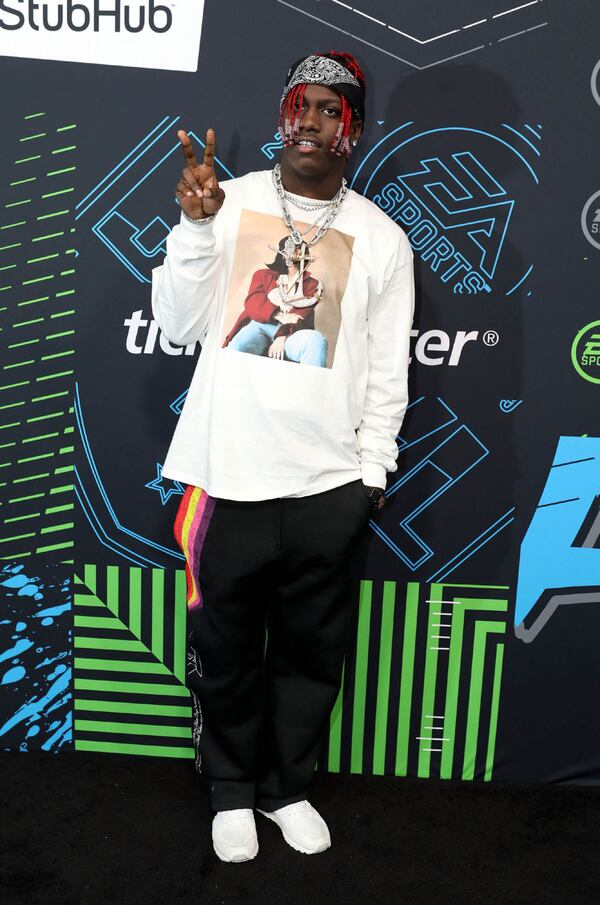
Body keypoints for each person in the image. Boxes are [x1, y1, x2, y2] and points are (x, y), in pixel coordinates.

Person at [151, 50, 415, 863]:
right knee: (225, 649)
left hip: (328, 488)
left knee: (310, 655)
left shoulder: (381, 237)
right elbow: (177, 323)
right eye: (299, 105)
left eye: (330, 110)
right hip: (226, 478)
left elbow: (387, 367)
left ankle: (285, 787)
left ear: (355, 131)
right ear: (282, 116)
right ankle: (231, 790)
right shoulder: (223, 202)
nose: (310, 120)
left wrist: (370, 476)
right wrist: (197, 228)